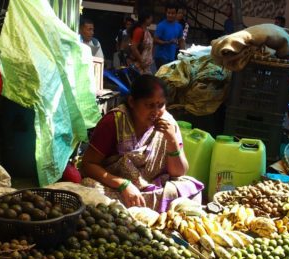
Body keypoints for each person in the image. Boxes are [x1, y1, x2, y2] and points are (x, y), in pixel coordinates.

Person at [81, 75, 203, 211]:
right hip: (117, 187)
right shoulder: (114, 122)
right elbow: (88, 164)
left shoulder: (168, 124)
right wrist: (123, 185)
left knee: (191, 187)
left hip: (153, 186)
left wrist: (172, 140)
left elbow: (179, 172)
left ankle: (142, 208)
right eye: (150, 105)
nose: (156, 112)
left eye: (161, 105)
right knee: (89, 186)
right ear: (132, 102)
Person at [154, 3, 185, 69]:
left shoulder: (179, 26)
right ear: (166, 13)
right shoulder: (161, 25)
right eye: (169, 13)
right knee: (163, 77)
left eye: (173, 13)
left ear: (176, 14)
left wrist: (184, 54)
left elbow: (181, 41)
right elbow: (155, 40)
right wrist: (167, 42)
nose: (170, 15)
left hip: (172, 56)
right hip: (160, 57)